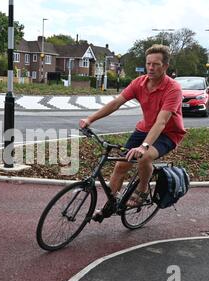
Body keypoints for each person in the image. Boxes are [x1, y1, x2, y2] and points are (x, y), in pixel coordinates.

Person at [79, 44, 186, 216]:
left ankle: (142, 191)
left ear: (165, 66)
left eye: (156, 64)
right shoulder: (139, 83)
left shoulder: (173, 89)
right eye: (148, 63)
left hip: (168, 133)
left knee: (144, 157)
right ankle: (109, 207)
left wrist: (143, 146)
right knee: (121, 165)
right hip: (143, 129)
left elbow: (161, 122)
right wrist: (90, 119)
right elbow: (116, 103)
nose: (151, 67)